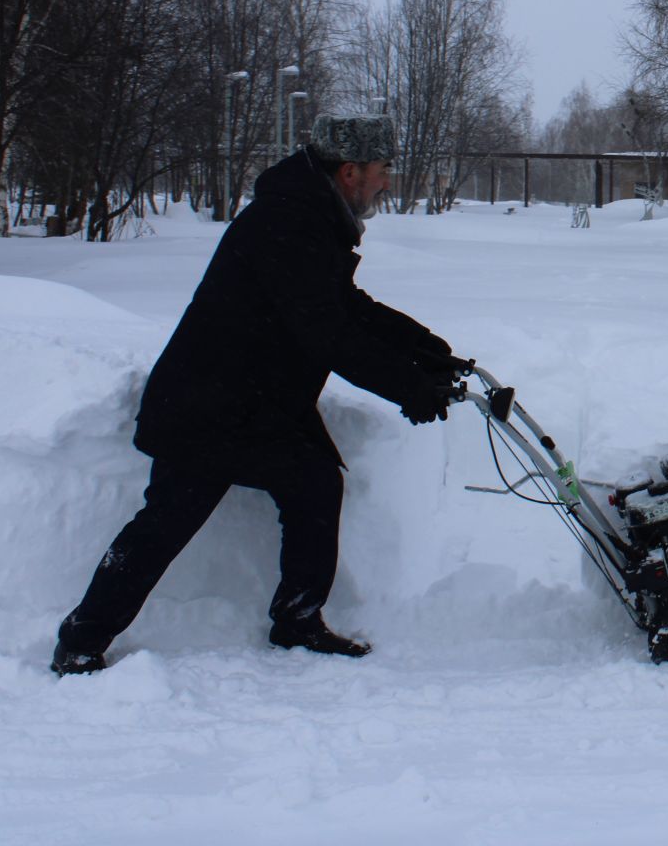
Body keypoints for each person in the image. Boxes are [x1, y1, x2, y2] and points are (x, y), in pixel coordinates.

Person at [51, 114, 464, 676]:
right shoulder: (290, 221)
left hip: (250, 399)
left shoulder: (308, 215)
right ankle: (82, 637)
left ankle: (297, 619)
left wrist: (425, 349)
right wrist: (408, 386)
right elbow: (324, 331)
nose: (386, 182)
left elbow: (344, 305)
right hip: (210, 405)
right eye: (382, 170)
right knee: (169, 521)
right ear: (350, 172)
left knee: (313, 484)